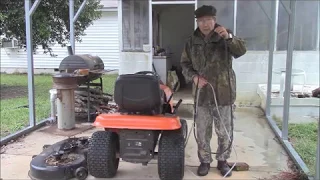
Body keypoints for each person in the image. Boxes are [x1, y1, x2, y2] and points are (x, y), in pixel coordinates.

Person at [180, 5, 247, 177]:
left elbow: (241, 51)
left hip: (224, 92)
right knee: (202, 131)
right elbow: (185, 64)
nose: (205, 24)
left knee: (224, 130)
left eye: (208, 20)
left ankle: (223, 161)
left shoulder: (224, 35)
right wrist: (194, 77)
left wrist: (229, 38)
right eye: (201, 21)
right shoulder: (191, 41)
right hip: (202, 95)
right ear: (197, 22)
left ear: (214, 20)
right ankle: (204, 162)